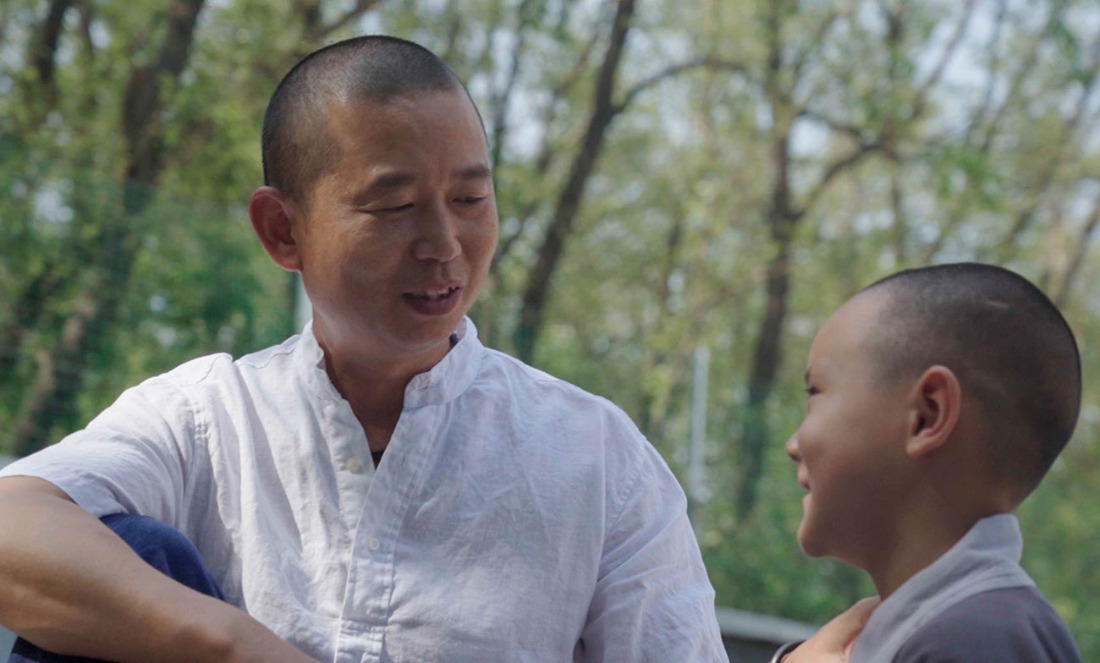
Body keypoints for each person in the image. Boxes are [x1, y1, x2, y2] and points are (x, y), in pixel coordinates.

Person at [0, 35, 866, 663]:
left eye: (470, 199)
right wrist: (230, 643)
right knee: (137, 552)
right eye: (394, 205)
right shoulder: (204, 419)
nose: (445, 244)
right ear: (281, 229)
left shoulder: (599, 460)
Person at [784, 262, 1084, 663]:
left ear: (927, 415)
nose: (792, 445)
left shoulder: (976, 641)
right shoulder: (963, 626)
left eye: (815, 392)